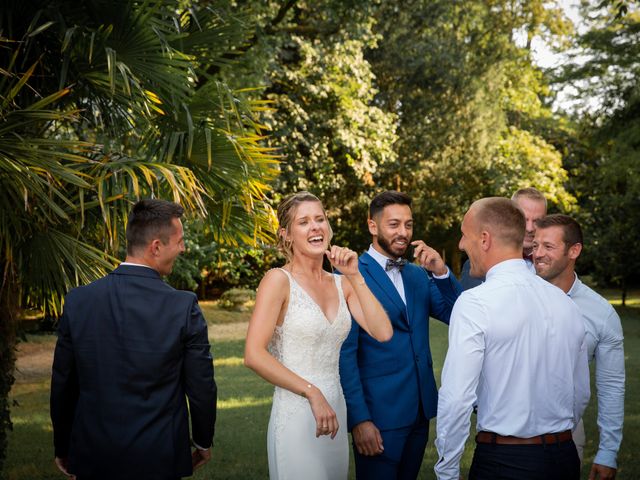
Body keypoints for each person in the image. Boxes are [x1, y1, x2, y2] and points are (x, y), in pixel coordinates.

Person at [50, 199, 217, 480]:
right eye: (180, 241)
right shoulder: (183, 306)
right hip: (160, 455)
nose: (183, 248)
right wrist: (202, 441)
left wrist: (63, 446)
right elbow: (201, 387)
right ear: (155, 247)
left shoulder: (79, 301)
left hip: (93, 454)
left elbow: (63, 384)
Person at [435, 197, 590, 480]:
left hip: (504, 461)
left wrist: (446, 471)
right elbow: (580, 394)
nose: (460, 244)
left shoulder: (475, 303)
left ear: (484, 239)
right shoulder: (565, 303)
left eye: (464, 235)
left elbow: (457, 398)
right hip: (564, 458)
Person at [244, 191, 393, 480]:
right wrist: (312, 393)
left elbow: (383, 331)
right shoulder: (278, 280)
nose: (315, 227)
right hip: (297, 412)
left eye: (320, 219)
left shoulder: (342, 283)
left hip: (335, 412)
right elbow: (253, 355)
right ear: (286, 235)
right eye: (304, 222)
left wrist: (355, 276)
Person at [339, 190, 462, 480]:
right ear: (373, 226)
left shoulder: (418, 275)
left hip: (420, 411)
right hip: (378, 416)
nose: (403, 233)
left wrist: (442, 273)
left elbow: (459, 314)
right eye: (394, 225)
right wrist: (360, 420)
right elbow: (345, 355)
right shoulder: (351, 276)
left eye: (408, 225)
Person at [533, 214, 625, 480]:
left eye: (548, 247)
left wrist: (608, 451)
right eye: (536, 245)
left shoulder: (601, 314)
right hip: (507, 440)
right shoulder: (516, 297)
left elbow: (611, 386)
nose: (537, 254)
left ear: (574, 250)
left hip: (568, 437)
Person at [459, 187, 547, 289]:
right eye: (524, 219)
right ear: (511, 217)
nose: (529, 228)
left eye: (537, 221)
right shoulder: (474, 265)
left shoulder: (556, 266)